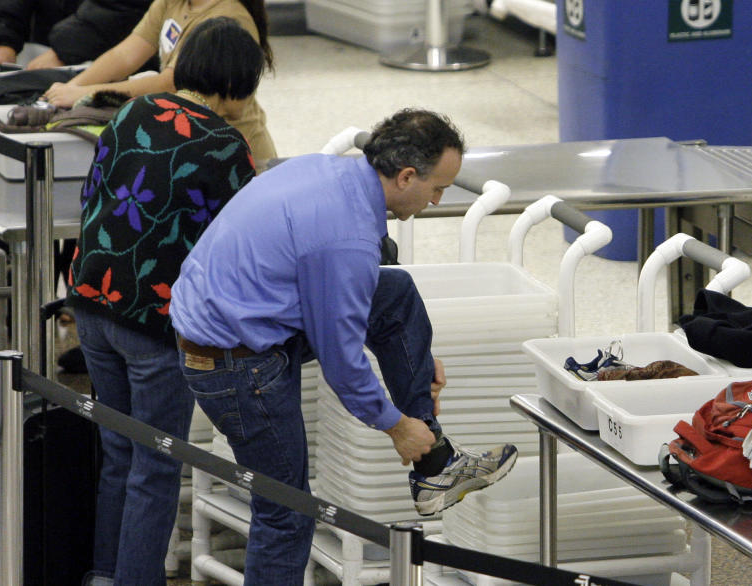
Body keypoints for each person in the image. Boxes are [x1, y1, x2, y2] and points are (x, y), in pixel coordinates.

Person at [169, 108, 519, 584]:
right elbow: (342, 362)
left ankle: (434, 464)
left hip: (240, 319)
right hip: (233, 364)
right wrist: (396, 427)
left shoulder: (328, 170)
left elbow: (353, 308)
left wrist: (410, 354)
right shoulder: (346, 237)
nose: (438, 201)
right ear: (405, 176)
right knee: (287, 514)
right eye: (437, 188)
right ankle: (425, 450)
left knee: (395, 296)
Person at [65, 17, 263, 585]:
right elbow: (240, 242)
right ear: (238, 81)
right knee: (155, 464)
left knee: (120, 453)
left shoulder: (130, 113)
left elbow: (93, 196)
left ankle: (104, 574)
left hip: (91, 301)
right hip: (153, 320)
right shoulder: (226, 146)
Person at [40, 0, 276, 164]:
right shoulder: (170, 3)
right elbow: (125, 55)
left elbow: (171, 83)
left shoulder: (230, 17)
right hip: (193, 145)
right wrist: (71, 90)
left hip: (236, 151)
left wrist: (86, 94)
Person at [0, 0, 153, 73]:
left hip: (128, 60)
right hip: (48, 48)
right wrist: (1, 37)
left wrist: (66, 50)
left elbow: (125, 5)